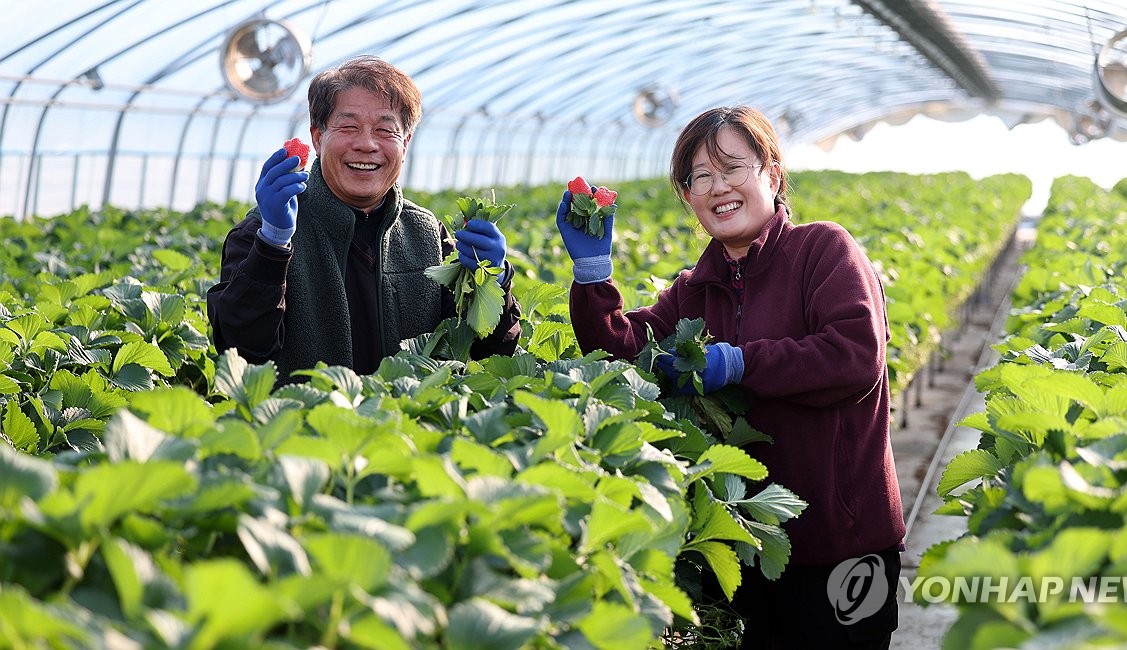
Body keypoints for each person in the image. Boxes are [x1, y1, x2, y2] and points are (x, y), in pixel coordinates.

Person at [555, 105, 905, 648]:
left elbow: (854, 356)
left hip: (843, 543)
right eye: (700, 176)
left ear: (772, 172)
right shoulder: (696, 288)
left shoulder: (823, 251)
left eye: (733, 168)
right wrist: (593, 277)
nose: (718, 187)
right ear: (688, 196)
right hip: (743, 548)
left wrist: (742, 362)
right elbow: (627, 354)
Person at [208, 55, 520, 381]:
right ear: (317, 137)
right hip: (304, 426)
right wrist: (272, 246)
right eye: (349, 126)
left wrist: (494, 281)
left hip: (413, 428)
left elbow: (490, 355)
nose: (367, 144)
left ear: (406, 143)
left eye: (385, 129)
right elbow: (240, 353)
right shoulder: (259, 234)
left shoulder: (428, 236)